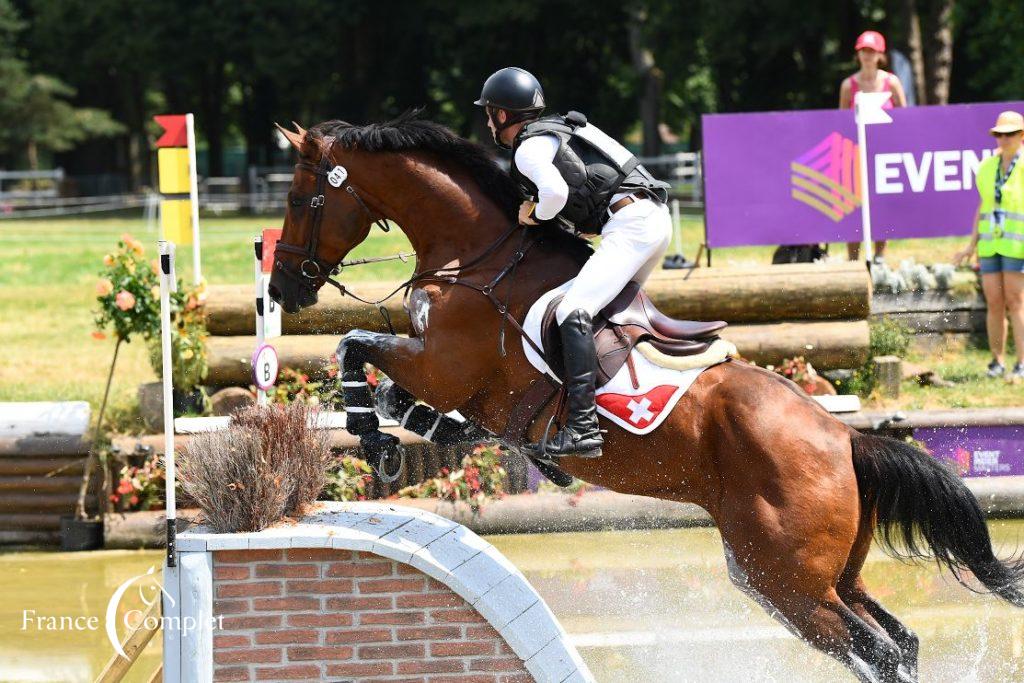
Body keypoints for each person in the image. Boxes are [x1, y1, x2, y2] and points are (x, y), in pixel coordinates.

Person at [474, 66, 671, 458]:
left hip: (631, 225)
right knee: (610, 314)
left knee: (574, 310)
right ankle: (626, 398)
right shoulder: (563, 128)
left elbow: (554, 192)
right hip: (649, 220)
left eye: (488, 114)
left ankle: (583, 428)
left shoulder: (529, 147)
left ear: (500, 115)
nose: (489, 123)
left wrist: (535, 213)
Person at [953, 111, 1024, 380]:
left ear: (1021, 136)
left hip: (1018, 246)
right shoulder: (986, 167)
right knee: (994, 302)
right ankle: (997, 362)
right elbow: (984, 206)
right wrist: (971, 244)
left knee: (1016, 302)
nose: (1004, 139)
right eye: (1000, 135)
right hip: (991, 243)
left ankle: (1022, 363)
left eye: (1010, 134)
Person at [839, 30, 908, 263]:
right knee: (852, 205)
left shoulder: (892, 82)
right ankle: (852, 260)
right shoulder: (848, 86)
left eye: (871, 51)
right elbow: (841, 123)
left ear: (880, 54)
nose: (867, 56)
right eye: (863, 51)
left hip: (885, 153)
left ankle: (880, 256)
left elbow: (905, 118)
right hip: (855, 154)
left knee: (882, 204)